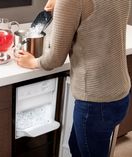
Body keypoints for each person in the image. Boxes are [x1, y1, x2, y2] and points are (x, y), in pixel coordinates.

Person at [14, 0, 131, 157]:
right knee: (75, 147)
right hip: (120, 93)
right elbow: (100, 22)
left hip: (95, 103)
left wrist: (32, 62)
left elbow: (55, 58)